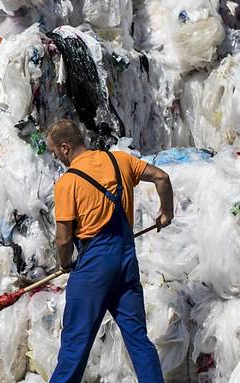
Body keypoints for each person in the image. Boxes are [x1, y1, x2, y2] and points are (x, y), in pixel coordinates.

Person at [46, 119, 174, 383]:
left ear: (66, 148)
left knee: (75, 345)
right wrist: (166, 213)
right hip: (126, 260)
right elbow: (162, 177)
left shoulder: (67, 183)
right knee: (138, 339)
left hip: (94, 267)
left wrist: (64, 263)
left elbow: (63, 239)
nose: (55, 157)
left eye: (55, 151)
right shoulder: (120, 161)